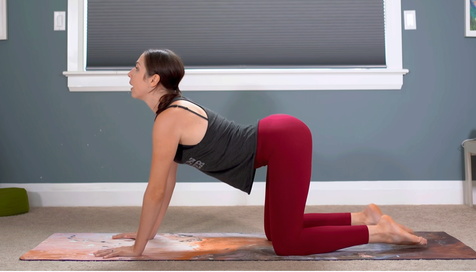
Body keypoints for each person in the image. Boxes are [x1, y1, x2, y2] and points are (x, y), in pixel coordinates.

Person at [95, 49, 426, 258]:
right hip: (277, 138)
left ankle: (379, 232)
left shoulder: (168, 119)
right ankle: (363, 216)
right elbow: (165, 186)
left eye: (134, 68)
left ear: (153, 80)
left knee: (286, 243)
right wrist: (148, 234)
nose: (128, 73)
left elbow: (153, 191)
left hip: (284, 141)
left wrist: (137, 250)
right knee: (276, 232)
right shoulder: (167, 115)